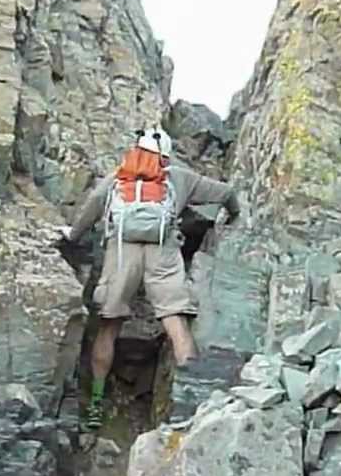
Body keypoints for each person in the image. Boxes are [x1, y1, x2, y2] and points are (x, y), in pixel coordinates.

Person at [58, 126, 240, 431]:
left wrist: (73, 235)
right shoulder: (177, 177)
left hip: (121, 251)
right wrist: (233, 215)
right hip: (163, 250)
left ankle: (95, 406)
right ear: (166, 156)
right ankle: (189, 406)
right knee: (175, 322)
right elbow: (226, 193)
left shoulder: (120, 176)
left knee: (109, 327)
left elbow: (93, 204)